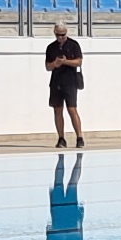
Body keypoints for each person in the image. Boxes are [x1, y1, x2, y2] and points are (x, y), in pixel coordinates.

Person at [44, 19, 86, 150]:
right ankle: (61, 137)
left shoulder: (73, 45)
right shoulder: (51, 47)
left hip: (70, 81)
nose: (61, 37)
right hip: (56, 81)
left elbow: (79, 62)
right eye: (58, 35)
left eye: (63, 34)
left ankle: (79, 137)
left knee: (72, 109)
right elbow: (48, 66)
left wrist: (65, 62)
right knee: (57, 109)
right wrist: (55, 64)